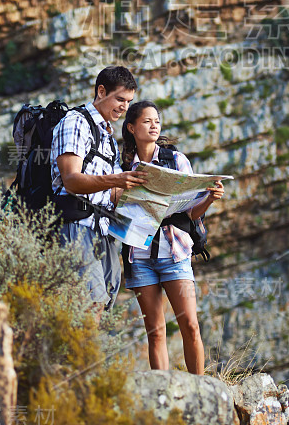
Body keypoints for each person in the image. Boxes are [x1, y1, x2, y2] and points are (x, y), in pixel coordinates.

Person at [121, 100, 224, 374]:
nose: (154, 125)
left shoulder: (175, 160)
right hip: (139, 257)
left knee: (190, 325)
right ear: (131, 127)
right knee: (155, 332)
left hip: (175, 253)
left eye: (157, 120)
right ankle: (162, 395)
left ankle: (201, 391)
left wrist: (210, 199)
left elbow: (191, 214)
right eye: (146, 121)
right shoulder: (121, 165)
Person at [50, 66, 149, 315]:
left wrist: (152, 197)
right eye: (119, 99)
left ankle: (87, 353)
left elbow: (113, 191)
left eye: (129, 101)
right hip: (75, 224)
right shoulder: (75, 123)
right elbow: (71, 180)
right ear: (101, 91)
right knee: (90, 304)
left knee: (104, 304)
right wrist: (116, 179)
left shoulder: (107, 135)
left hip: (102, 230)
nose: (125, 108)